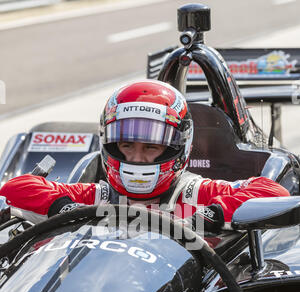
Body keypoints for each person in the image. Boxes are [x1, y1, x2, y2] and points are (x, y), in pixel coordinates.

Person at [0, 80, 290, 233]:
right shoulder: (96, 196)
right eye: (127, 145)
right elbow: (14, 189)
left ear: (178, 148)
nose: (137, 158)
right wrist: (65, 210)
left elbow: (272, 190)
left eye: (151, 148)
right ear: (109, 144)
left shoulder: (197, 194)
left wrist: (212, 215)